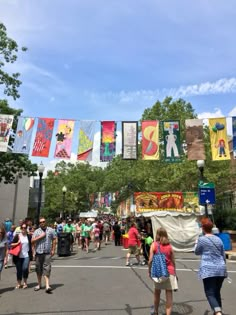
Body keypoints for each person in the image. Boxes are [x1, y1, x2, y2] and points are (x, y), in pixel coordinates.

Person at [194, 218, 227, 315]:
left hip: (208, 270)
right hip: (221, 268)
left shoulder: (202, 239)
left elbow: (197, 252)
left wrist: (196, 242)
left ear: (203, 228)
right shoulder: (218, 239)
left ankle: (218, 312)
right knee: (217, 292)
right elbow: (223, 255)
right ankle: (217, 311)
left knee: (210, 293)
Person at [148, 227, 177, 315]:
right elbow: (173, 260)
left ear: (157, 234)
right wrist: (175, 272)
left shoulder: (154, 245)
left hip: (158, 272)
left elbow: (150, 260)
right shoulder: (169, 246)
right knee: (169, 295)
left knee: (157, 293)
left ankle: (156, 312)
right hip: (169, 272)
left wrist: (149, 271)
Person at [31, 217, 56, 293]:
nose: (42, 223)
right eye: (41, 222)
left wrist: (53, 249)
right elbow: (32, 241)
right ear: (39, 223)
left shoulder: (51, 230)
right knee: (38, 269)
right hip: (39, 253)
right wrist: (40, 236)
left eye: (43, 221)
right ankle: (39, 284)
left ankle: (47, 285)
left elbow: (54, 239)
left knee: (47, 268)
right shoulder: (37, 231)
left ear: (46, 222)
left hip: (47, 253)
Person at [11, 222, 33, 289]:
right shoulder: (17, 236)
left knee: (25, 268)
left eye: (25, 227)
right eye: (22, 227)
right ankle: (19, 283)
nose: (23, 229)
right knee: (19, 270)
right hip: (18, 256)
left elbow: (31, 245)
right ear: (20, 228)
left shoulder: (29, 236)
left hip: (26, 255)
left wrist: (33, 253)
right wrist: (17, 243)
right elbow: (11, 244)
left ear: (26, 228)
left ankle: (25, 283)